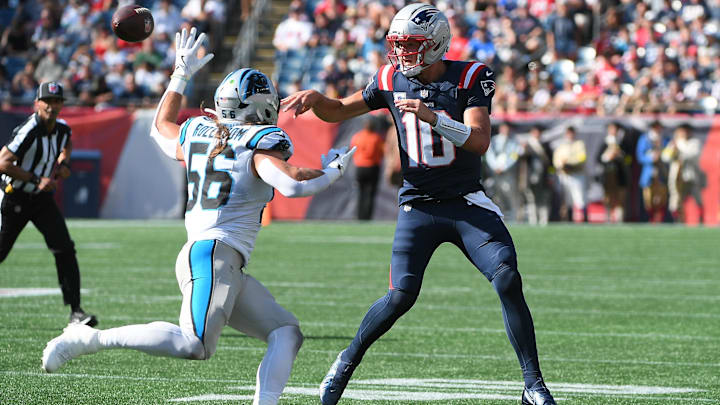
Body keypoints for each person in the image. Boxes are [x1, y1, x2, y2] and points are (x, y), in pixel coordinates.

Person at [41, 28, 355, 405]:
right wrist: (334, 170)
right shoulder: (259, 144)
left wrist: (180, 74)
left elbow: (160, 127)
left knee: (286, 331)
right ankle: (89, 339)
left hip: (220, 259)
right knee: (194, 345)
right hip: (213, 254)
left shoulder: (201, 134)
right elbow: (293, 185)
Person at [282, 4, 556, 405]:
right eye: (398, 45)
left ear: (436, 44)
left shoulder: (470, 76)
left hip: (466, 203)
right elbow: (340, 109)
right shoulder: (391, 77)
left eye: (410, 45)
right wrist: (318, 99)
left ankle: (532, 384)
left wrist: (434, 117)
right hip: (418, 206)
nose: (402, 54)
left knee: (507, 277)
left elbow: (480, 140)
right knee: (399, 297)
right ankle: (345, 361)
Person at [0, 81, 98, 327]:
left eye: (57, 102)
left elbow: (67, 144)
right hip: (15, 196)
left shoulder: (63, 129)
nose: (52, 107)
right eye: (47, 102)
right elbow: (3, 162)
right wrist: (36, 179)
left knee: (65, 248)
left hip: (41, 199)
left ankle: (76, 311)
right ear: (37, 103)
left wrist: (63, 165)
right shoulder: (29, 130)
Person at [662, 123, 704, 223]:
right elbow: (665, 157)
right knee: (675, 200)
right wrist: (672, 149)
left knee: (697, 198)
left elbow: (693, 155)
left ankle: (701, 219)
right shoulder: (674, 142)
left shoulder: (695, 142)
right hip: (676, 176)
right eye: (681, 131)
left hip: (690, 175)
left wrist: (679, 151)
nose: (683, 133)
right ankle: (678, 220)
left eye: (686, 131)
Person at [484, 122, 522, 221]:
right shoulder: (494, 140)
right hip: (495, 173)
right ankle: (501, 217)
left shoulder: (514, 142)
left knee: (511, 195)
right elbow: (489, 155)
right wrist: (495, 167)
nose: (506, 131)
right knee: (497, 196)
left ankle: (515, 218)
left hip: (508, 173)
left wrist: (504, 168)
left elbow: (514, 157)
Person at [350, 117, 385, 220]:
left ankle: (359, 216)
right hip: (372, 167)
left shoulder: (357, 136)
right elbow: (381, 152)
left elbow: (353, 151)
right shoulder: (376, 138)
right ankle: (366, 217)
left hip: (360, 167)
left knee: (360, 192)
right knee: (370, 193)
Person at [518, 125, 552, 225]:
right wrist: (523, 149)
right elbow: (522, 158)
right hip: (530, 176)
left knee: (543, 199)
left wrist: (551, 175)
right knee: (531, 199)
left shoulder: (545, 145)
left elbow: (550, 163)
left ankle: (543, 220)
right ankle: (533, 220)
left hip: (543, 177)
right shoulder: (528, 145)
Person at [636, 120, 669, 223]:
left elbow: (669, 154)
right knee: (648, 200)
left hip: (662, 173)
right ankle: (650, 219)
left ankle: (659, 220)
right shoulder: (645, 139)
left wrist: (662, 155)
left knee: (661, 198)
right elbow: (640, 156)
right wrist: (651, 158)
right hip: (649, 173)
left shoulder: (665, 140)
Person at [552, 126, 587, 222]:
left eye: (571, 133)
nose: (570, 135)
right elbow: (556, 160)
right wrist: (561, 165)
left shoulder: (579, 144)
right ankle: (569, 219)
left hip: (576, 174)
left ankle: (584, 218)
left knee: (579, 198)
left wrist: (568, 162)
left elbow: (581, 158)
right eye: (568, 133)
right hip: (564, 174)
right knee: (567, 199)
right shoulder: (561, 146)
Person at [597, 122, 629, 223]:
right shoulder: (605, 143)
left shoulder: (622, 143)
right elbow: (598, 159)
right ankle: (608, 218)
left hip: (620, 175)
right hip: (608, 175)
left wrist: (620, 156)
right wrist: (608, 156)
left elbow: (629, 158)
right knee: (608, 198)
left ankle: (619, 218)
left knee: (620, 198)